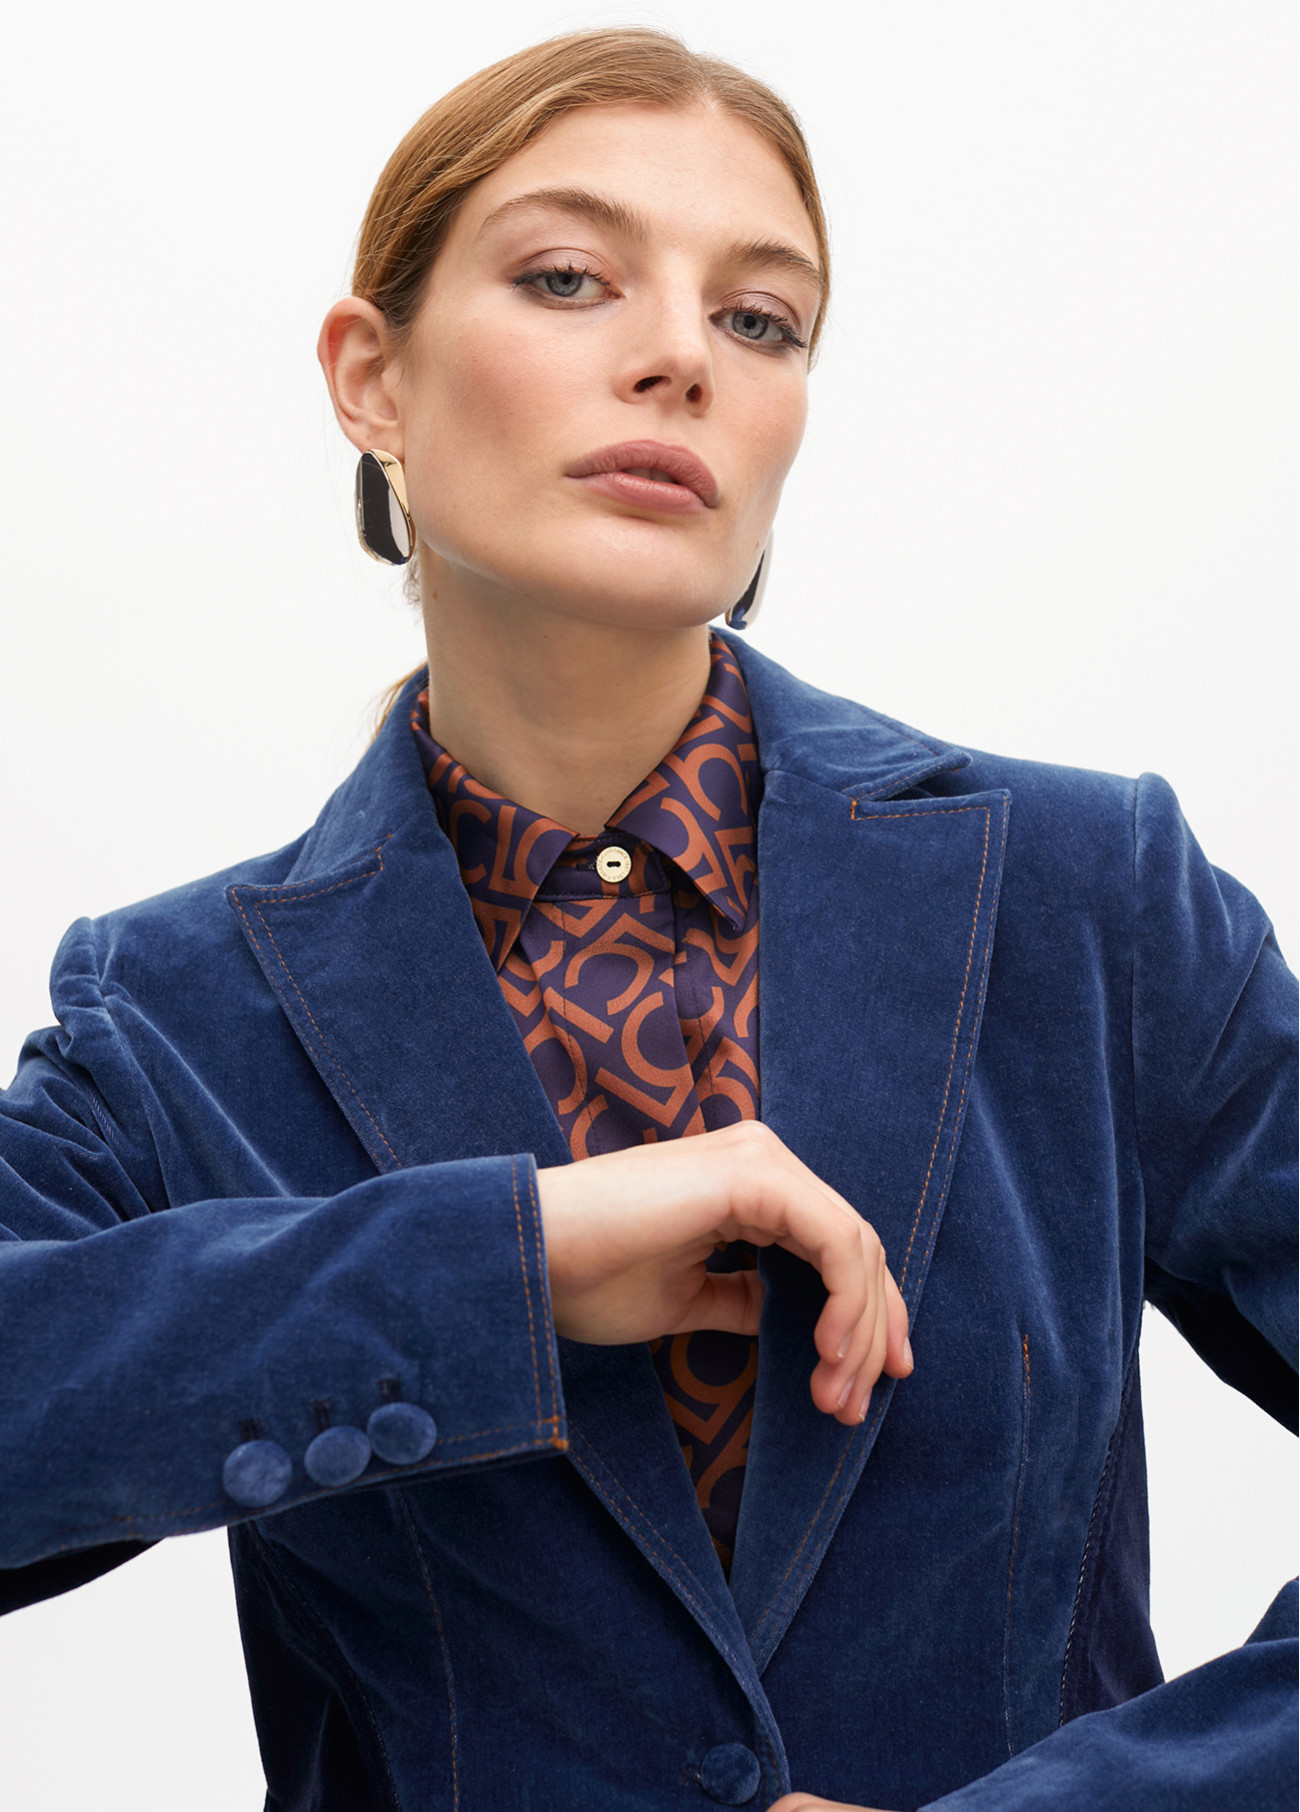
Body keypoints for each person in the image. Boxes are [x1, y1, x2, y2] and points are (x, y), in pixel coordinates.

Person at [0, 24, 1294, 1811]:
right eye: (567, 278)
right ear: (370, 379)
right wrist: (503, 1265)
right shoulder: (171, 1015)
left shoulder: (1090, 899)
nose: (681, 354)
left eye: (760, 319)